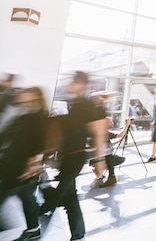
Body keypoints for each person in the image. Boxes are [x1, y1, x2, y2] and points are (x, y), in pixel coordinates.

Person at [40, 71, 108, 241]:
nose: (69, 84)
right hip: (67, 156)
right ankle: (78, 234)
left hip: (76, 158)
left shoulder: (87, 105)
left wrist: (100, 160)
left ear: (83, 85)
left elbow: (98, 133)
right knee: (70, 199)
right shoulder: (75, 104)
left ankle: (37, 214)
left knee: (54, 197)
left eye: (73, 82)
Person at [0, 87, 48, 241]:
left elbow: (39, 142)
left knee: (13, 193)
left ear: (34, 96)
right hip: (11, 162)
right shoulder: (25, 113)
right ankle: (34, 229)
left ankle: (34, 229)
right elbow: (6, 135)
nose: (21, 95)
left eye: (26, 93)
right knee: (26, 196)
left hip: (20, 166)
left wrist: (33, 163)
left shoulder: (38, 116)